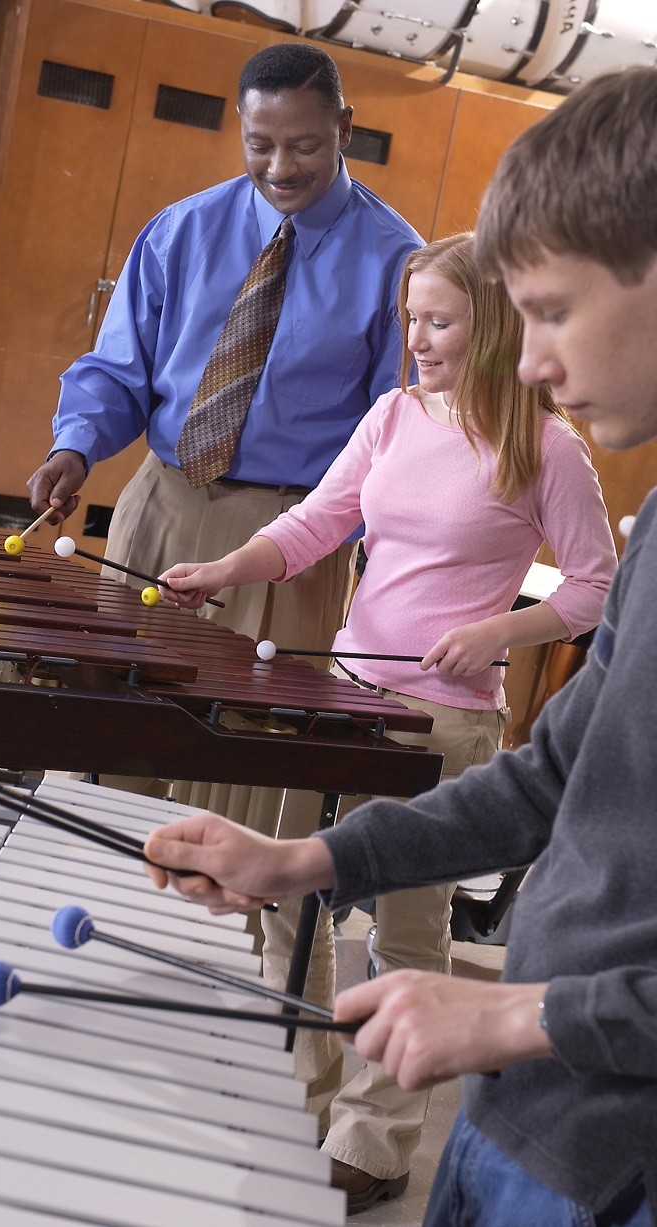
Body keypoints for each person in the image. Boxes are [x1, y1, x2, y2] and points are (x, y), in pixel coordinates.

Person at [142, 66, 657, 1227]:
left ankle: (371, 1131)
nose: (528, 363)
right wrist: (302, 863)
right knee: (308, 924)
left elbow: (575, 597)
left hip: (608, 1152)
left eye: (550, 313)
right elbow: (554, 780)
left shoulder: (550, 455)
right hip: (519, 1116)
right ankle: (304, 1107)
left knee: (408, 936)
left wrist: (519, 1015)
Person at [25, 40, 422, 826]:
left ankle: (225, 936)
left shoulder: (396, 260)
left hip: (289, 536)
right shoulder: (181, 231)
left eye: (305, 145)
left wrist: (382, 547)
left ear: (345, 126)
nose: (280, 166)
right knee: (113, 736)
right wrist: (73, 445)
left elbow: (400, 429)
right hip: (162, 504)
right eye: (260, 144)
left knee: (250, 764)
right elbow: (120, 367)